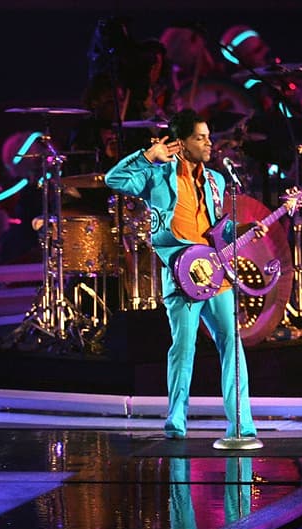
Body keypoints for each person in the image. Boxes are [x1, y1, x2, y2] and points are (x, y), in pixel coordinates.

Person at [105, 108, 261, 444]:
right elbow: (113, 180)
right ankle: (176, 419)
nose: (209, 144)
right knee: (183, 347)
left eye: (208, 137)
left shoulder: (218, 181)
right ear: (181, 142)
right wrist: (147, 156)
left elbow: (218, 229)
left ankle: (241, 424)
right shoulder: (158, 176)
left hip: (215, 273)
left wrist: (244, 230)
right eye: (200, 138)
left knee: (232, 344)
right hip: (180, 273)